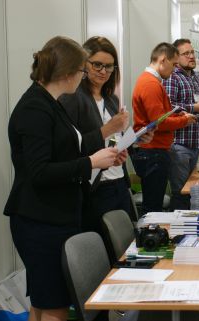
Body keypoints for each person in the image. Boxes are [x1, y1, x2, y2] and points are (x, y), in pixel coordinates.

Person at [4, 36, 118, 321]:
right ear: (68, 73)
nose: (84, 77)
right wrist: (91, 162)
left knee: (44, 302)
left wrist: (105, 156)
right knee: (54, 304)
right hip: (39, 219)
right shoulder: (35, 108)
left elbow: (68, 148)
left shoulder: (51, 102)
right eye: (83, 70)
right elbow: (39, 172)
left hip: (55, 215)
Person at [60, 36, 153, 233]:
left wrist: (134, 140)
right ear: (84, 64)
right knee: (106, 250)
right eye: (97, 65)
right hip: (95, 187)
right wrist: (109, 129)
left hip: (119, 182)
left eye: (109, 67)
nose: (104, 71)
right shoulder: (73, 98)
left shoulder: (111, 98)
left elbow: (112, 141)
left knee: (125, 247)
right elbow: (69, 147)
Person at [131, 42, 197, 214]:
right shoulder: (150, 84)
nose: (175, 69)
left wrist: (180, 116)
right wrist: (184, 120)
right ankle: (149, 238)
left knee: (154, 204)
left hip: (155, 152)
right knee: (153, 208)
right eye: (174, 64)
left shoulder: (153, 82)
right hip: (153, 152)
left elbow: (163, 116)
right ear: (162, 60)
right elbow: (159, 122)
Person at [162, 38, 199, 210]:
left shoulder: (197, 77)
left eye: (192, 52)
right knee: (181, 194)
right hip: (179, 145)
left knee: (192, 193)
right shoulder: (172, 78)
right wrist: (194, 107)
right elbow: (168, 108)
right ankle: (178, 233)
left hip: (196, 144)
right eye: (186, 53)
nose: (192, 56)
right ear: (176, 57)